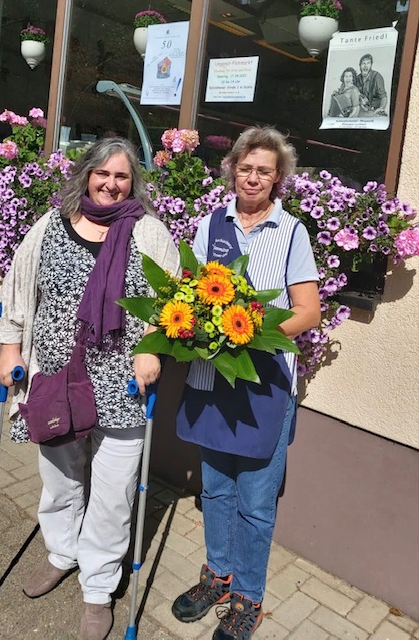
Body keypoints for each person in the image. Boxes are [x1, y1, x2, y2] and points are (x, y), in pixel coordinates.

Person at [0, 137, 179, 640]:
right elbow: (17, 285)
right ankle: (61, 553)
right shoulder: (53, 224)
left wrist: (152, 348)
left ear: (132, 182)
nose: (112, 184)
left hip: (123, 384)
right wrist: (10, 348)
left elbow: (171, 302)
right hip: (56, 374)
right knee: (59, 479)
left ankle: (98, 587)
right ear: (87, 175)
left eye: (122, 176)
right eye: (104, 174)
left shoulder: (150, 233)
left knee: (113, 495)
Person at [172, 127, 321, 640]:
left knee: (256, 500)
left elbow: (308, 311)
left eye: (264, 169)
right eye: (245, 167)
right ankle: (218, 574)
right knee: (214, 488)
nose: (253, 177)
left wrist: (251, 332)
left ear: (278, 178)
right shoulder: (209, 225)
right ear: (232, 169)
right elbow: (190, 295)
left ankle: (249, 599)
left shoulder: (291, 232)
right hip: (212, 376)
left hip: (265, 383)